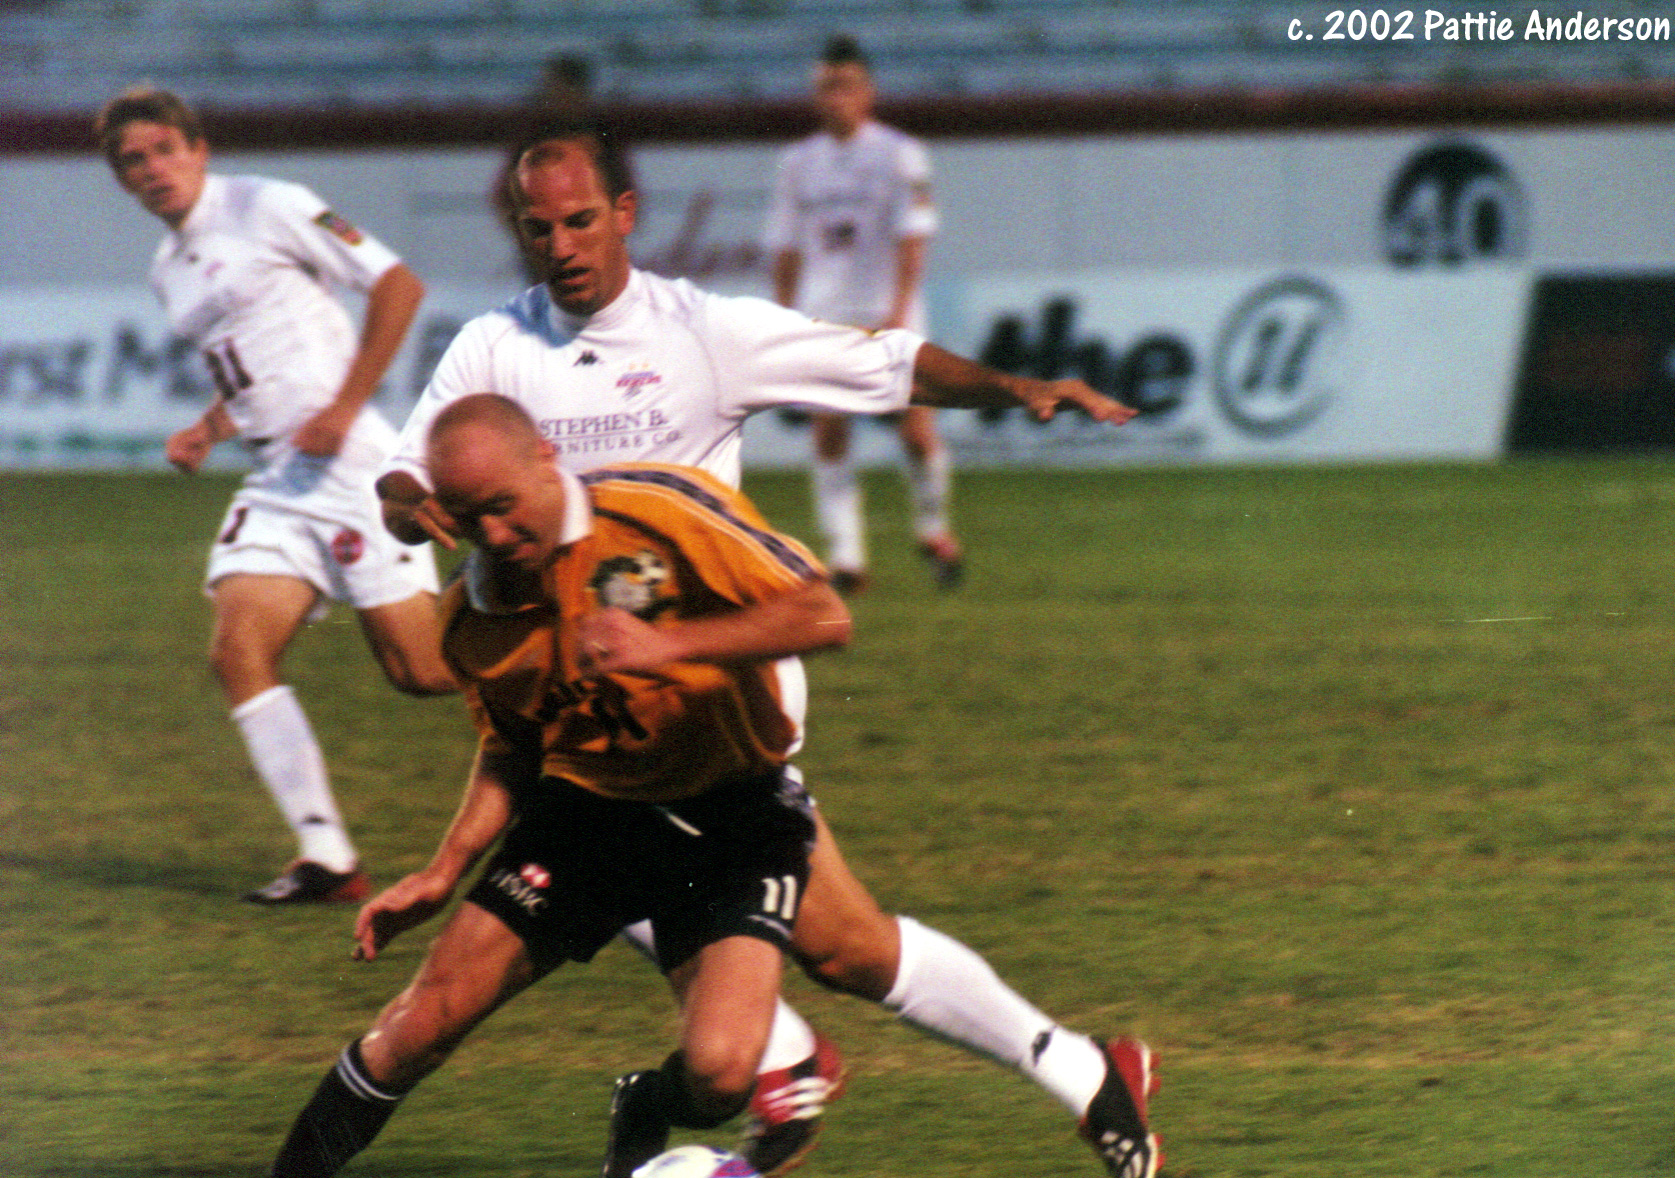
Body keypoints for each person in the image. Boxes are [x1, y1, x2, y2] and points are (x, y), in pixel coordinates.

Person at [372, 121, 1156, 1178]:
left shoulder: (701, 332)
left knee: (771, 924)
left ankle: (775, 1060)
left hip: (712, 694)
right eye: (537, 225)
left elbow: (880, 361)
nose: (558, 244)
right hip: (579, 702)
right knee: (836, 942)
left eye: (579, 219)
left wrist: (1012, 389)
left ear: (624, 215)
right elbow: (401, 474)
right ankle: (1062, 1067)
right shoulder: (489, 350)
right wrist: (415, 506)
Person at [269, 393, 852, 1178]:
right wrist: (443, 872)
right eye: (473, 521)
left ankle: (648, 1103)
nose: (498, 538)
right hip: (587, 820)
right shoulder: (470, 619)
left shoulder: (658, 510)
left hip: (737, 816)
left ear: (545, 457)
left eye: (506, 509)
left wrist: (667, 645)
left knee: (719, 1076)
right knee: (418, 1024)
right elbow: (510, 752)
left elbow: (822, 616)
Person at [95, 85, 456, 904]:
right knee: (235, 651)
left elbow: (399, 286)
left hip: (351, 464)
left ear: (198, 148)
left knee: (425, 671)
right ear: (122, 181)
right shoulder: (167, 270)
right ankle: (327, 856)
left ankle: (580, 668)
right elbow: (254, 371)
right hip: (279, 478)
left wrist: (344, 405)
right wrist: (209, 427)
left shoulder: (269, 204)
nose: (152, 169)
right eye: (132, 161)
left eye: (163, 149)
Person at [764, 34, 960, 594]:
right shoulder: (798, 162)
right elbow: (785, 245)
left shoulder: (899, 153)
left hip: (886, 308)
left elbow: (913, 238)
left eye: (846, 85)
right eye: (826, 87)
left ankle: (933, 526)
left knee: (915, 428)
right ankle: (847, 557)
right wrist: (783, 317)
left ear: (867, 92)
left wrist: (899, 309)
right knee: (830, 426)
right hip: (824, 311)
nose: (836, 97)